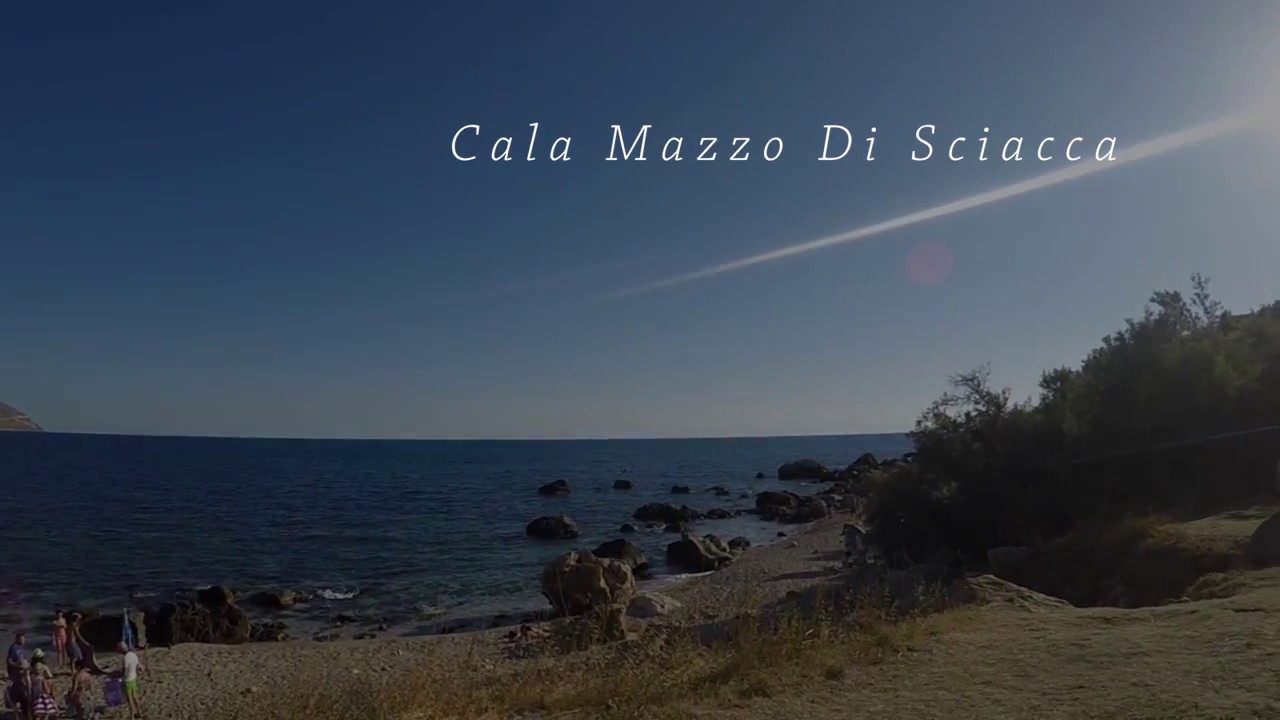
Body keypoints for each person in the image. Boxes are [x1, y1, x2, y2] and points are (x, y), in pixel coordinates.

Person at [118, 641, 143, 719]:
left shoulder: (125, 658)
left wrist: (118, 677)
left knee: (130, 699)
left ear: (121, 650)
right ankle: (139, 712)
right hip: (133, 677)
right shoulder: (133, 654)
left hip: (127, 680)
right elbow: (138, 665)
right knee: (135, 696)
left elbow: (124, 671)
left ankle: (132, 716)